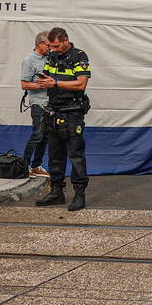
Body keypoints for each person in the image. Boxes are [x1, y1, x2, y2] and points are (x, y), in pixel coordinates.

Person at [34, 27, 91, 211]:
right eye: (51, 46)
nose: (53, 49)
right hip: (54, 111)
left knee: (76, 155)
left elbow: (81, 84)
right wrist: (43, 81)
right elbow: (47, 77)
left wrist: (56, 83)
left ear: (66, 40)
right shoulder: (51, 57)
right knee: (55, 155)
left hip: (73, 112)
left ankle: (79, 194)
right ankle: (56, 191)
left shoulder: (79, 56)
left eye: (57, 46)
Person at [20, 31, 51, 177]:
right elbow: (24, 85)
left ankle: (36, 165)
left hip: (50, 104)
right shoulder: (29, 60)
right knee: (37, 135)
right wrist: (44, 85)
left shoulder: (49, 59)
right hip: (38, 104)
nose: (51, 48)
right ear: (40, 43)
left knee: (45, 137)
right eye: (48, 45)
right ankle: (24, 166)